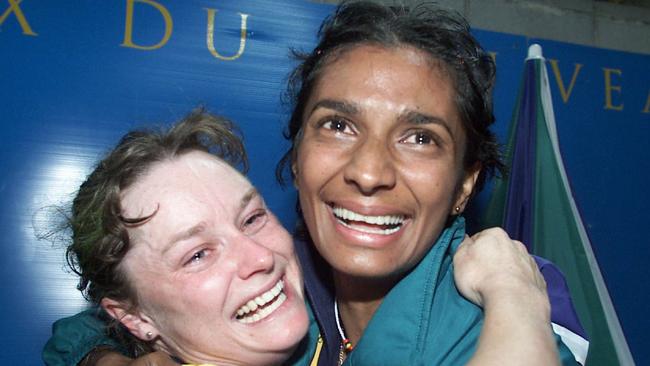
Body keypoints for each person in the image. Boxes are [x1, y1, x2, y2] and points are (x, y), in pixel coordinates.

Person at [43, 1, 588, 365]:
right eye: (338, 124)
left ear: (466, 185)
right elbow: (82, 327)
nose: (369, 172)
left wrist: (515, 299)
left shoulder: (493, 319)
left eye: (420, 137)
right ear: (298, 155)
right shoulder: (288, 282)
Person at [46, 111, 315, 365]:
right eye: (197, 255)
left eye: (252, 218)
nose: (261, 256)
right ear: (134, 318)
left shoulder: (336, 290)